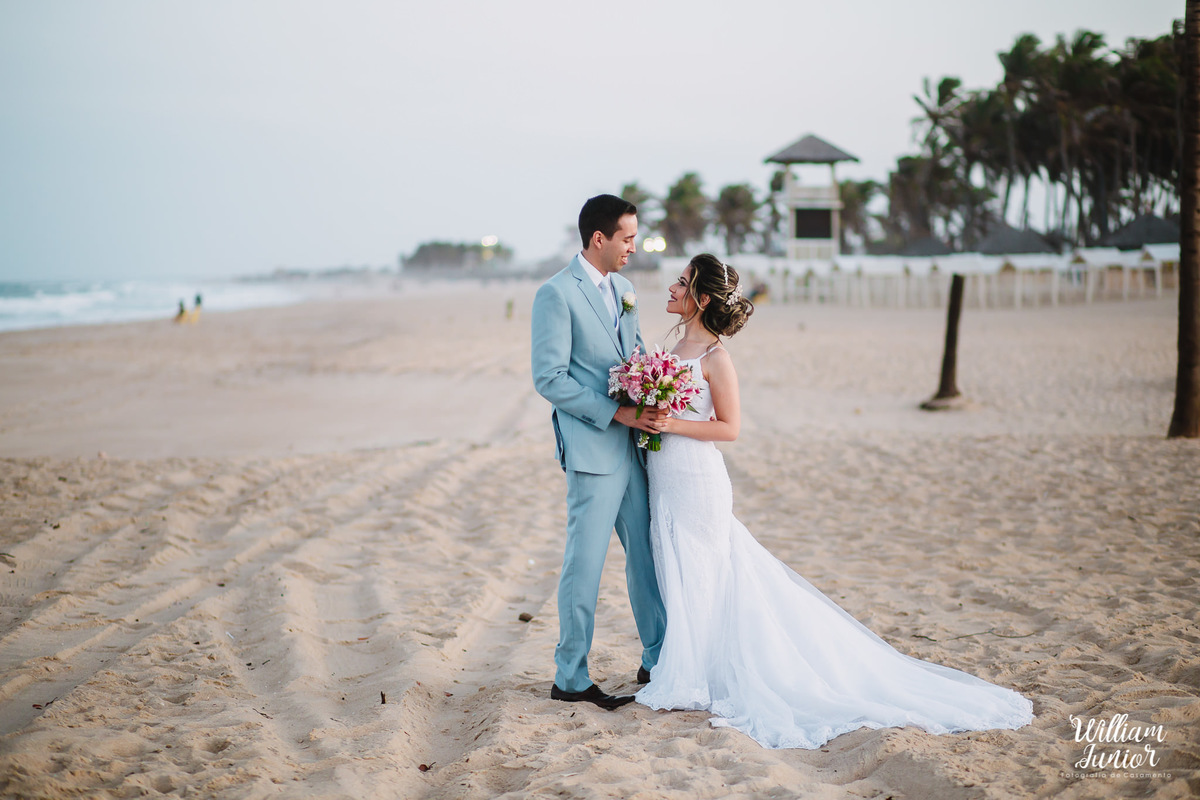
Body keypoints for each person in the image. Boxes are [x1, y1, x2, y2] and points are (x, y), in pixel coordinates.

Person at [634, 253, 1034, 749]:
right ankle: (692, 665)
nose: (671, 287)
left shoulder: (716, 358)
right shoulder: (671, 344)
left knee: (704, 570)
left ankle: (702, 675)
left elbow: (730, 428)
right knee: (678, 568)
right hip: (666, 476)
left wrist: (670, 423)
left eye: (682, 282)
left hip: (697, 479)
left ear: (703, 298)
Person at [530, 194, 667, 710]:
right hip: (592, 447)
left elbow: (632, 357)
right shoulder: (556, 294)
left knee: (648, 559)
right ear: (598, 239)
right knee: (584, 564)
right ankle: (570, 678)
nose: (635, 247)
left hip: (635, 448)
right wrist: (618, 414)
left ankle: (658, 659)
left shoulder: (627, 289)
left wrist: (654, 396)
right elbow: (550, 378)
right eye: (628, 238)